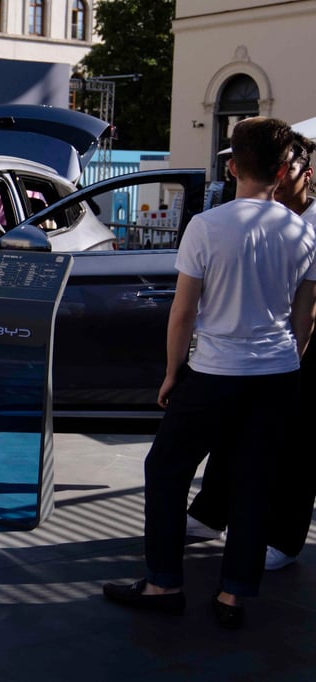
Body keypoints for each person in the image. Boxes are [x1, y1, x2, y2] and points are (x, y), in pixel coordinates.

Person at [102, 117, 316, 630]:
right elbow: (306, 315)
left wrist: (173, 372)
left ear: (232, 166)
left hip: (215, 371)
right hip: (278, 374)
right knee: (253, 481)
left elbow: (183, 312)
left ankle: (163, 583)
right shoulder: (301, 232)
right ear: (285, 169)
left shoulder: (207, 226)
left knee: (166, 468)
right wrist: (289, 361)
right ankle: (233, 596)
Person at [186, 132, 316, 571]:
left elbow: (308, 304)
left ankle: (284, 539)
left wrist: (295, 355)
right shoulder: (261, 216)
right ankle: (210, 513)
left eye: (290, 170)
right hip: (262, 354)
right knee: (233, 432)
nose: (280, 180)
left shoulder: (308, 224)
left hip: (294, 352)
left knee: (297, 448)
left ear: (305, 175)